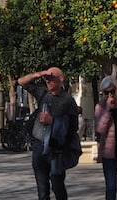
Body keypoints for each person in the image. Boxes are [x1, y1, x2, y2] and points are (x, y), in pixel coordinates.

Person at [17, 67, 79, 200]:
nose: (48, 81)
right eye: (46, 79)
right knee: (42, 189)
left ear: (60, 79)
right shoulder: (44, 94)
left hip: (56, 149)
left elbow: (74, 127)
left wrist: (53, 121)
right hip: (39, 146)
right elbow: (21, 82)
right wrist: (39, 74)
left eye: (51, 78)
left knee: (57, 185)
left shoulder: (68, 101)